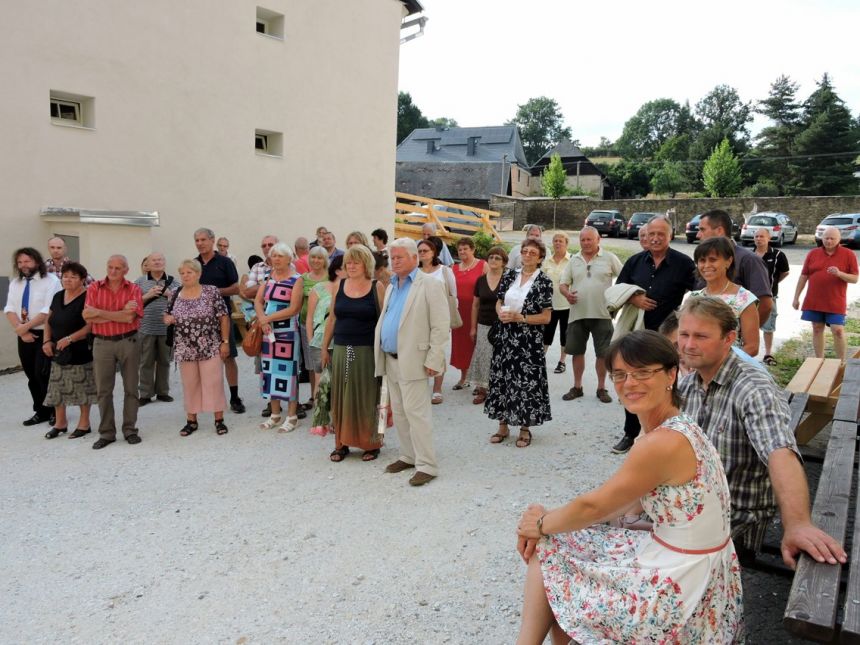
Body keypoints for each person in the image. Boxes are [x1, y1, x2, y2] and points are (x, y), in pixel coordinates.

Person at [515, 330, 744, 644]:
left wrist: (538, 524)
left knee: (550, 555)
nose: (629, 383)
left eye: (643, 373)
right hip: (700, 569)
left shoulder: (661, 442)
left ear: (671, 374)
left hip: (679, 584)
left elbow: (594, 507)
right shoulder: (680, 424)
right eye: (620, 374)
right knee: (561, 550)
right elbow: (626, 501)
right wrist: (550, 522)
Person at [677, 296, 847, 568]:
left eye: (701, 336)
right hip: (695, 507)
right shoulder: (691, 382)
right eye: (684, 334)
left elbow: (780, 453)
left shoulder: (752, 388)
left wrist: (798, 524)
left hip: (734, 519)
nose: (688, 345)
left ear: (729, 338)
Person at [610, 216, 696, 454]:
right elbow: (617, 288)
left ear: (670, 235)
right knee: (633, 383)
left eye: (661, 234)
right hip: (637, 335)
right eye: (651, 234)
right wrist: (633, 297)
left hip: (666, 339)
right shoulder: (635, 261)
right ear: (645, 235)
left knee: (667, 384)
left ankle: (666, 434)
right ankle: (630, 433)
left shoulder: (683, 263)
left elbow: (699, 292)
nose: (656, 238)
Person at [375, 237, 449, 487]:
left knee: (418, 414)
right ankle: (408, 456)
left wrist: (434, 359)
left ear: (414, 259)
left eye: (399, 257)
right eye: (391, 257)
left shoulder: (430, 284)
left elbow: (440, 326)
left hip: (415, 360)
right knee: (400, 411)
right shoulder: (392, 285)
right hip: (391, 359)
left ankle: (427, 465)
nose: (394, 262)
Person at [485, 238, 552, 448]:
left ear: (540, 257)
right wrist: (502, 315)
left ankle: (525, 429)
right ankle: (502, 426)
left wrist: (520, 318)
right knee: (502, 379)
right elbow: (499, 302)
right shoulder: (509, 276)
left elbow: (546, 317)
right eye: (525, 251)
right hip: (505, 338)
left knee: (525, 383)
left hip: (528, 341)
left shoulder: (544, 282)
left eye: (533, 252)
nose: (527, 255)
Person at [321, 245, 386, 462]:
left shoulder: (377, 287)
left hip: (367, 352)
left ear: (366, 264)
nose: (351, 266)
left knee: (367, 397)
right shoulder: (339, 285)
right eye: (348, 262)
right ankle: (341, 443)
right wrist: (324, 348)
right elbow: (332, 318)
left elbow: (384, 321)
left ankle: (371, 443)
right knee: (341, 398)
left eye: (355, 262)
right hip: (341, 349)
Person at [83, 255, 144, 449]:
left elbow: (129, 318)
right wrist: (119, 313)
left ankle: (129, 429)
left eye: (118, 268)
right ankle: (107, 433)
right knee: (103, 390)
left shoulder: (134, 288)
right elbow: (87, 315)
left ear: (126, 270)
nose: (113, 271)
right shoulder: (94, 287)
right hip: (102, 343)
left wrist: (99, 312)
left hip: (128, 341)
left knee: (131, 388)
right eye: (110, 267)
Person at [164, 259, 230, 436]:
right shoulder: (175, 293)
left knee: (214, 382)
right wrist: (167, 319)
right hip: (185, 348)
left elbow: (223, 316)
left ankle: (219, 420)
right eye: (183, 273)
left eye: (189, 272)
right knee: (190, 384)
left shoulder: (211, 291)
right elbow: (167, 314)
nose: (185, 276)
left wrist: (225, 342)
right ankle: (191, 421)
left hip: (210, 345)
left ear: (198, 274)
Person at [558, 226, 622, 404]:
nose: (586, 243)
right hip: (577, 315)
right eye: (583, 240)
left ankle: (601, 388)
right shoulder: (573, 260)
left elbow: (625, 278)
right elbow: (563, 284)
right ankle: (577, 387)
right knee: (577, 352)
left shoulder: (609, 258)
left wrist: (617, 300)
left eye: (589, 239)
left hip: (603, 315)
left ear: (598, 240)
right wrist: (566, 294)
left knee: (603, 354)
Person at [5, 247, 62, 426]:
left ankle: (55, 411)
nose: (23, 265)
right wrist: (21, 331)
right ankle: (41, 411)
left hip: (45, 332)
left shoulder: (51, 281)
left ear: (37, 262)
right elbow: (10, 309)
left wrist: (25, 328)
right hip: (24, 334)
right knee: (31, 374)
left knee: (43, 373)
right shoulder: (16, 283)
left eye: (27, 261)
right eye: (20, 262)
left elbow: (48, 311)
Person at [41, 262, 95, 439]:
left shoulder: (88, 297)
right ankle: (60, 423)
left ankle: (84, 424)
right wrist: (47, 341)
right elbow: (49, 321)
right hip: (58, 351)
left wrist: (70, 338)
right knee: (57, 388)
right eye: (65, 276)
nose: (68, 279)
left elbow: (90, 326)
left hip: (80, 350)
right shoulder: (57, 296)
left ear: (81, 280)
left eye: (73, 277)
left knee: (82, 388)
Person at [194, 227, 244, 414]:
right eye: (197, 240)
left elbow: (235, 288)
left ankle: (235, 397)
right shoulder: (194, 264)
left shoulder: (225, 262)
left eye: (203, 240)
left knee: (228, 356)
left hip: (222, 317)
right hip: (199, 320)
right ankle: (209, 398)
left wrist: (213, 292)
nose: (200, 243)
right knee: (203, 359)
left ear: (212, 240)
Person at [256, 243, 304, 433]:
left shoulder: (296, 279)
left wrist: (268, 318)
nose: (275, 259)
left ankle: (292, 416)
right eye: (273, 255)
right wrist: (262, 320)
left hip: (287, 332)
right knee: (269, 371)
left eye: (279, 256)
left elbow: (294, 308)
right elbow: (258, 301)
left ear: (289, 258)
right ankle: (275, 414)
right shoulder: (269, 277)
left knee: (289, 372)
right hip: (268, 332)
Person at [696, 209, 773, 326]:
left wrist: (745, 333)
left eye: (702, 230)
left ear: (719, 231)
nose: (698, 235)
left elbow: (765, 304)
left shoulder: (748, 259)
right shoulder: (703, 261)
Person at [793, 225, 859, 360]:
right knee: (817, 328)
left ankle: (841, 362)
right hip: (814, 299)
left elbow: (854, 279)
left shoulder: (848, 254)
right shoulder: (813, 253)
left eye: (832, 239)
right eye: (826, 238)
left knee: (838, 330)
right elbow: (803, 276)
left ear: (839, 239)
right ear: (821, 238)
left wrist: (840, 274)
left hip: (835, 300)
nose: (829, 241)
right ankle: (819, 360)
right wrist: (796, 297)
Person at [689, 237, 760, 358]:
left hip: (729, 369)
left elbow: (752, 347)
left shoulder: (744, 299)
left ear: (729, 261)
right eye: (702, 260)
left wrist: (718, 364)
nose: (706, 265)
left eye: (713, 260)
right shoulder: (693, 298)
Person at [417, 237, 456, 404]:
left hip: (439, 317)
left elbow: (453, 295)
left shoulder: (445, 271)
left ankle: (437, 389)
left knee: (437, 352)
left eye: (425, 251)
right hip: (419, 319)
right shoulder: (414, 272)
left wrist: (447, 321)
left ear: (434, 253)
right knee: (419, 353)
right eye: (419, 251)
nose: (422, 254)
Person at [468, 246, 507, 405]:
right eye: (491, 257)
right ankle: (482, 390)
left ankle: (498, 390)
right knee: (483, 356)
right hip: (483, 323)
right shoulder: (480, 280)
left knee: (500, 357)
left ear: (504, 262)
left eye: (497, 258)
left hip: (503, 324)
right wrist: (473, 327)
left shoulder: (509, 280)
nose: (493, 260)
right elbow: (475, 305)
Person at [134, 252, 174, 405]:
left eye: (160, 260)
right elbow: (132, 303)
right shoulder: (139, 282)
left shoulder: (174, 281)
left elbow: (180, 300)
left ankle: (163, 392)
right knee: (145, 362)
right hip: (145, 327)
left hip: (166, 328)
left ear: (164, 263)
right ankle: (145, 394)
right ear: (148, 265)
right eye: (154, 260)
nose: (157, 262)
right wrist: (148, 295)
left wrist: (169, 293)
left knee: (164, 361)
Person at [306, 256, 344, 400]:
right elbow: (309, 317)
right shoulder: (319, 288)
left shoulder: (351, 289)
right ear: (338, 270)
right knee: (321, 381)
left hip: (343, 341)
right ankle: (319, 419)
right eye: (347, 266)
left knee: (341, 383)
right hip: (321, 341)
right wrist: (311, 340)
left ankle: (337, 419)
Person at [450, 237, 486, 390]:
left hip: (476, 311)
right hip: (459, 313)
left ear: (473, 249)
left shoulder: (483, 265)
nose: (462, 251)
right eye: (460, 249)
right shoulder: (454, 268)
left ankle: (478, 382)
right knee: (461, 346)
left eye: (465, 248)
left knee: (477, 345)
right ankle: (464, 377)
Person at [753, 228, 789, 365]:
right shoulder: (750, 255)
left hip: (769, 296)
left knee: (768, 326)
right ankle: (749, 353)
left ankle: (768, 354)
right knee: (749, 325)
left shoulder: (778, 255)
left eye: (762, 236)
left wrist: (771, 285)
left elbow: (784, 272)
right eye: (756, 236)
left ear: (769, 238)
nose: (758, 239)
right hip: (750, 297)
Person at [299, 246, 329, 409]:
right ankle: (313, 396)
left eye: (319, 258)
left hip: (326, 327)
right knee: (312, 365)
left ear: (325, 260)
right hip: (307, 326)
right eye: (313, 257)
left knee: (326, 363)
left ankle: (326, 401)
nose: (316, 261)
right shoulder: (303, 278)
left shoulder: (331, 278)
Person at [542, 232, 571, 375]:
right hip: (549, 305)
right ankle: (541, 359)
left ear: (566, 243)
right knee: (547, 333)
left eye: (561, 241)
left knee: (565, 335)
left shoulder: (572, 260)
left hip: (567, 305)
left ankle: (562, 361)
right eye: (555, 241)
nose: (558, 243)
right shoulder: (547, 261)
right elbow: (540, 281)